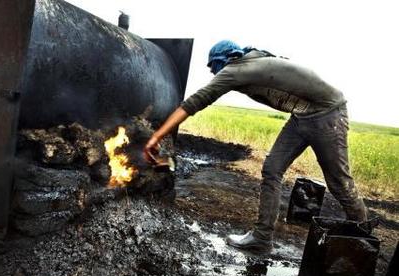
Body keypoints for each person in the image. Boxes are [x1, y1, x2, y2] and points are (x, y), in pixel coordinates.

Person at [145, 40, 368, 253]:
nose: (214, 73)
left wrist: (156, 136)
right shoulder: (253, 59)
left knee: (339, 182)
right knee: (272, 169)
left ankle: (361, 240)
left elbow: (195, 101)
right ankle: (262, 238)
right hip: (301, 116)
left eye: (214, 66)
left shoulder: (235, 69)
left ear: (227, 59)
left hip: (328, 114)